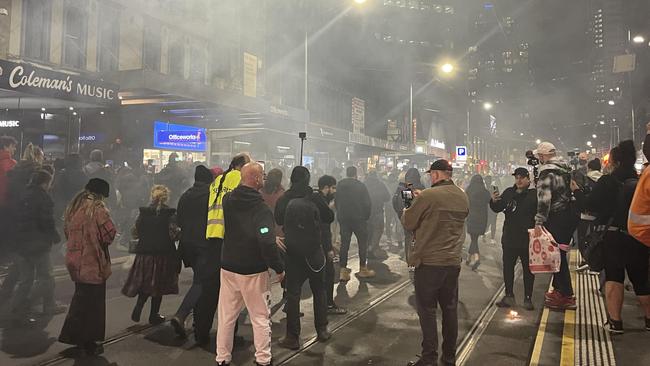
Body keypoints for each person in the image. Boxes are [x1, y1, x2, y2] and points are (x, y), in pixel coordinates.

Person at [216, 162, 285, 366]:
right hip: (253, 270)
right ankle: (263, 359)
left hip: (228, 265)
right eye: (262, 176)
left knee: (227, 315)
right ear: (255, 179)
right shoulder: (261, 208)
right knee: (260, 316)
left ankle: (222, 358)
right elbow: (265, 239)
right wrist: (279, 267)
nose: (264, 179)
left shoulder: (228, 200)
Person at [401, 160, 469, 366]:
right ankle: (449, 358)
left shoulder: (429, 195)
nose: (430, 177)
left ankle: (429, 357)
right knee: (449, 310)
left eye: (431, 174)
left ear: (437, 174)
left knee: (427, 310)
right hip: (452, 261)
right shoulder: (462, 196)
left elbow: (409, 222)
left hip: (429, 261)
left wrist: (410, 206)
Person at [587, 140, 650, 333]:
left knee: (614, 277)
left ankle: (615, 322)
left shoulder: (607, 182)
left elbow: (591, 205)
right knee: (642, 280)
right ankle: (649, 320)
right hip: (639, 235)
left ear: (613, 161)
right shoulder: (641, 179)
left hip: (614, 236)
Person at [275, 167, 332, 350]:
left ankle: (292, 337)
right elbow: (329, 217)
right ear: (308, 180)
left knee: (293, 295)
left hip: (293, 254)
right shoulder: (314, 197)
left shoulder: (285, 198)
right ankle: (322, 329)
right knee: (319, 291)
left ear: (291, 179)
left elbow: (277, 219)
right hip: (315, 254)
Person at [59, 178, 116, 356]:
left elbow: (67, 232)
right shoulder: (97, 209)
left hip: (75, 260)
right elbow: (109, 235)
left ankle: (72, 335)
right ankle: (88, 341)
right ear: (101, 195)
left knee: (80, 300)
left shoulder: (74, 207)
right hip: (92, 261)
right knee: (94, 304)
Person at [200, 153, 250, 346]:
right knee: (231, 293)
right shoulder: (239, 178)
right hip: (229, 240)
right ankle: (229, 335)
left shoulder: (218, 179)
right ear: (240, 166)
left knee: (209, 290)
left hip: (212, 236)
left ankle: (202, 332)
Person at [533, 142, 583, 310]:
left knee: (556, 256)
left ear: (544, 156)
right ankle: (559, 289)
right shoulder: (565, 169)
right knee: (559, 253)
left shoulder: (547, 173)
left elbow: (544, 199)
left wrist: (539, 221)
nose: (539, 159)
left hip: (555, 217)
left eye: (540, 156)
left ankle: (566, 295)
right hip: (568, 216)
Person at [11, 170, 65, 323]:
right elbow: (46, 221)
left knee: (26, 278)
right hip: (38, 243)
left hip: (21, 242)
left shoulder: (25, 194)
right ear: (45, 183)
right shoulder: (43, 197)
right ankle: (27, 304)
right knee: (47, 277)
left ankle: (18, 308)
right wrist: (56, 236)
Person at [122, 185, 180, 325]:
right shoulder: (169, 214)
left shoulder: (143, 213)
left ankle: (139, 306)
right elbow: (174, 234)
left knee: (145, 283)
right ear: (166, 197)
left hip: (144, 254)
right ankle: (154, 315)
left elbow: (135, 232)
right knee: (158, 285)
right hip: (162, 254)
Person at [170, 165, 214, 339]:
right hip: (204, 245)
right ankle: (181, 315)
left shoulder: (185, 196)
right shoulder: (211, 196)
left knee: (199, 279)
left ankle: (197, 321)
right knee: (201, 283)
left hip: (187, 245)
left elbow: (179, 219)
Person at [1, 143, 44, 298]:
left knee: (21, 262)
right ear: (39, 157)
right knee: (36, 268)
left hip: (12, 215)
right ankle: (20, 305)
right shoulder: (35, 173)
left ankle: (7, 292)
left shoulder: (15, 169)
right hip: (29, 222)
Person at [490, 168, 537, 310]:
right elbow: (498, 208)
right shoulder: (509, 193)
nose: (519, 180)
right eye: (517, 177)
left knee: (528, 270)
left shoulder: (534, 194)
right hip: (510, 237)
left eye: (522, 177)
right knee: (508, 267)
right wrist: (494, 200)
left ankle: (528, 298)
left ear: (528, 179)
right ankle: (509, 295)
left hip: (527, 238)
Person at [335, 166, 374, 281]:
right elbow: (367, 203)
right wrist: (365, 217)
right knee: (362, 243)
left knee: (344, 244)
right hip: (359, 218)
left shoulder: (340, 185)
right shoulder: (360, 186)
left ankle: (343, 270)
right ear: (355, 174)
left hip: (344, 218)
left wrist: (340, 214)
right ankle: (363, 269)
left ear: (346, 173)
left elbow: (336, 201)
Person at [576, 158, 603, 272]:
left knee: (582, 239)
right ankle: (595, 261)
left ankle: (586, 259)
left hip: (585, 216)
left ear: (589, 168)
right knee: (596, 239)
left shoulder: (585, 179)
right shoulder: (604, 180)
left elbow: (580, 197)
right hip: (599, 218)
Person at [465, 175, 491, 271]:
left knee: (474, 239)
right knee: (474, 239)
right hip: (482, 219)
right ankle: (468, 258)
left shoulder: (469, 190)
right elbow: (490, 201)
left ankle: (476, 258)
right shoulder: (485, 192)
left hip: (471, 217)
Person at [52, 154, 88, 223]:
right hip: (78, 208)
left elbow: (56, 190)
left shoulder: (62, 174)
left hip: (63, 207)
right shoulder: (83, 175)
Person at [365, 170, 391, 259]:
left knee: (368, 231)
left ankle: (368, 247)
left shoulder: (363, 184)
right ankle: (373, 247)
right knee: (378, 230)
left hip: (366, 213)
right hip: (378, 211)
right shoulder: (380, 184)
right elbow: (387, 197)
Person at [0, 136, 17, 268]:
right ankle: (4, 259)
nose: (14, 149)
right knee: (6, 231)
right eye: (13, 146)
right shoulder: (10, 163)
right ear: (6, 146)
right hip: (6, 202)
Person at [483, 176, 498, 245]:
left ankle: (485, 235)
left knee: (488, 223)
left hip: (487, 209)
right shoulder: (495, 188)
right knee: (492, 223)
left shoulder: (484, 189)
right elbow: (497, 198)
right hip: (493, 209)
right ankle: (492, 238)